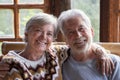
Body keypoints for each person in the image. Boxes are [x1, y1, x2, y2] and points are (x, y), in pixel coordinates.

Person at [0, 12, 114, 80]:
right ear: (26, 34)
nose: (44, 37)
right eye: (38, 30)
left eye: (49, 33)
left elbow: (80, 43)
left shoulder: (55, 54)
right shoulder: (9, 63)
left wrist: (101, 52)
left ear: (53, 39)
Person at [57, 9, 120, 80]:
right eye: (71, 32)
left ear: (92, 31)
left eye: (81, 29)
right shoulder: (58, 61)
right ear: (65, 39)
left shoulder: (113, 63)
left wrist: (100, 51)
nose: (78, 35)